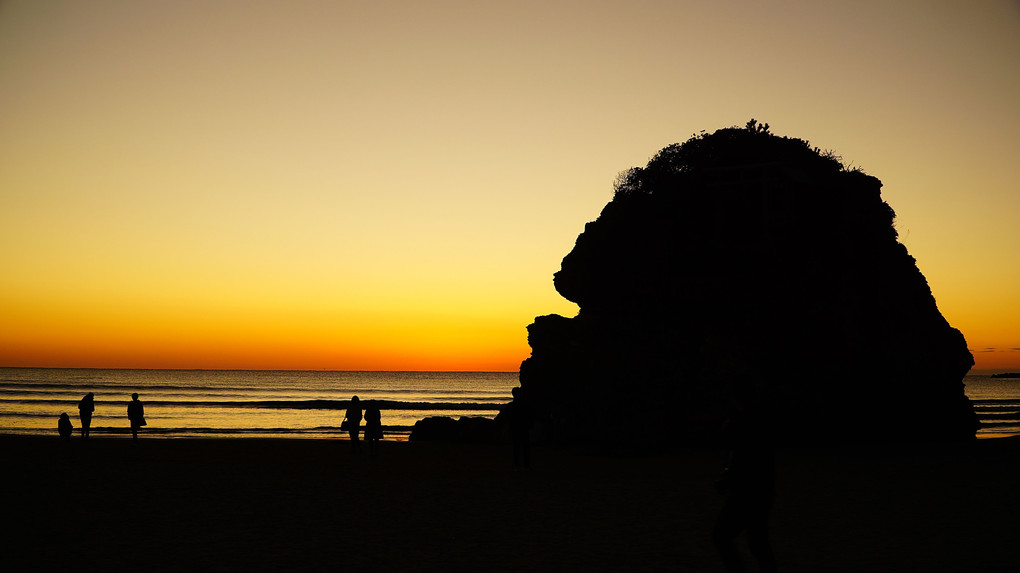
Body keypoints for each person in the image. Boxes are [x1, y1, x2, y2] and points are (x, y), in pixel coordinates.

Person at [713, 403, 777, 573]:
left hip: (747, 493)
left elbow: (742, 463)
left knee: (723, 536)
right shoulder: (756, 424)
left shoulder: (744, 427)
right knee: (758, 542)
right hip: (759, 491)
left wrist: (727, 480)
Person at [507, 387, 534, 469]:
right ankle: (525, 465)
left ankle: (518, 465)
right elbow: (530, 416)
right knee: (524, 447)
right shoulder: (525, 405)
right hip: (522, 428)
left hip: (517, 428)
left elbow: (506, 417)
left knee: (517, 447)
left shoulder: (512, 406)